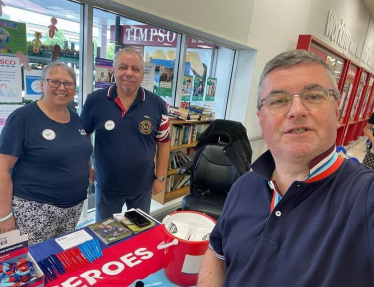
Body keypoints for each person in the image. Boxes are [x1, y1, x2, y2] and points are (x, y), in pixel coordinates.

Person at [198, 50, 374, 286]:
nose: (297, 110)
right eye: (279, 100)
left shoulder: (365, 197)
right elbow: (217, 253)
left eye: (313, 96)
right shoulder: (243, 186)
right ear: (261, 120)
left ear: (337, 111)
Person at [0, 62, 92, 244]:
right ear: (42, 84)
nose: (62, 88)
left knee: (60, 263)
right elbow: (2, 169)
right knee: (35, 266)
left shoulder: (75, 117)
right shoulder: (23, 118)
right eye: (55, 82)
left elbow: (81, 151)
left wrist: (88, 171)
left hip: (72, 210)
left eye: (68, 83)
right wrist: (4, 216)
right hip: (34, 212)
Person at [80, 48, 170, 222]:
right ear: (113, 70)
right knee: (106, 235)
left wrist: (160, 177)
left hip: (142, 187)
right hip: (107, 185)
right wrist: (87, 167)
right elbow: (84, 135)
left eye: (135, 69)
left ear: (142, 74)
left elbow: (164, 142)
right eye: (123, 67)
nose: (129, 73)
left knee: (139, 234)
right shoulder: (95, 101)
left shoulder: (158, 105)